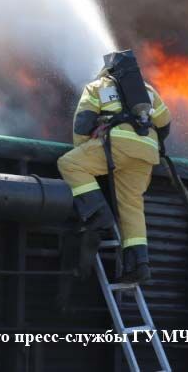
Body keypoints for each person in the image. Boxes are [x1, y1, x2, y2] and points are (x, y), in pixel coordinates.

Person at [57, 49, 171, 284]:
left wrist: (83, 149)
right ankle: (139, 264)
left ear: (107, 71)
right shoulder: (149, 92)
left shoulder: (98, 86)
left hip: (117, 145)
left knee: (69, 164)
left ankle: (98, 212)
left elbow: (82, 124)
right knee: (131, 205)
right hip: (147, 152)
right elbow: (165, 124)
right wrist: (150, 143)